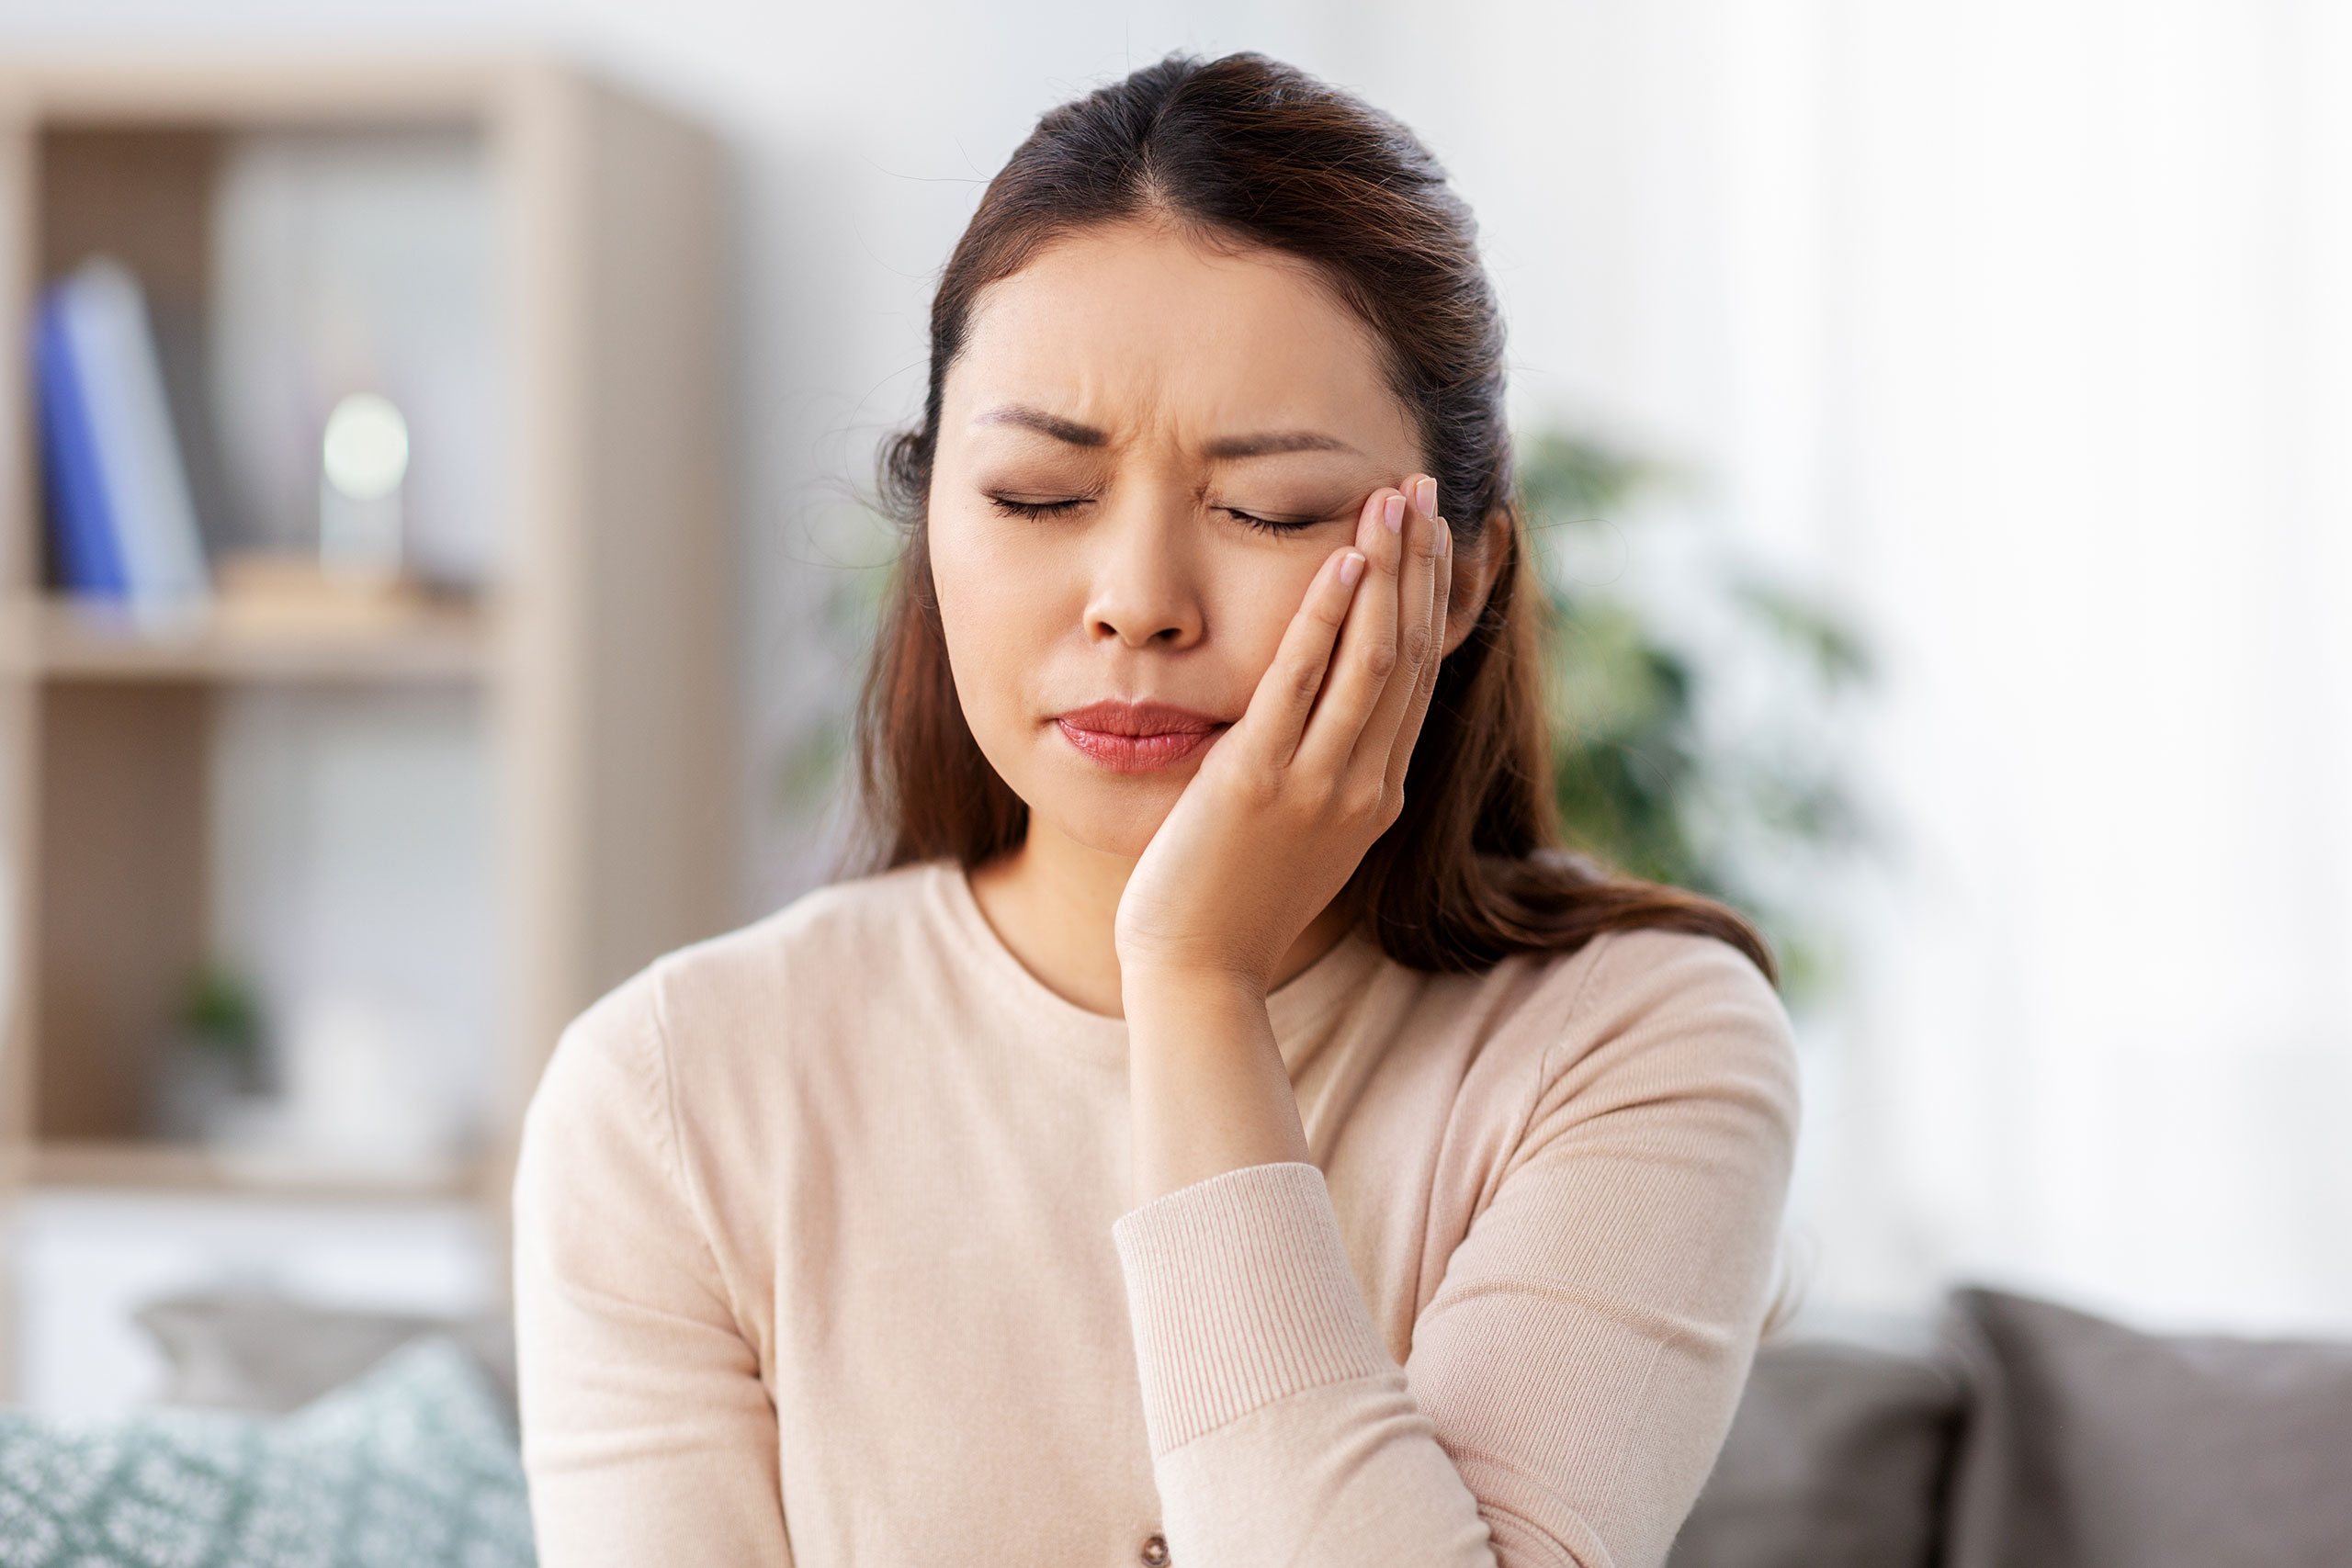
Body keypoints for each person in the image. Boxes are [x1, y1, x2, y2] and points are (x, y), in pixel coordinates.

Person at [514, 51, 1797, 1568]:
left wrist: (1193, 980)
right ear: (928, 522)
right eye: (1040, 497)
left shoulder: (1634, 1042)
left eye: (1270, 512)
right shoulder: (674, 1097)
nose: (1136, 604)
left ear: (1455, 581)